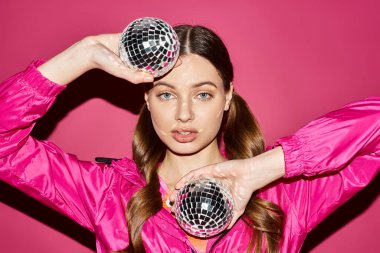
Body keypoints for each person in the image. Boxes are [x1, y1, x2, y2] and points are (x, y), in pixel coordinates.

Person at [0, 24, 378, 253]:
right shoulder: (108, 194)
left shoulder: (287, 196)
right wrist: (80, 54)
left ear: (228, 96)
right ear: (147, 100)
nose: (183, 113)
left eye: (203, 94)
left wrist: (264, 169)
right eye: (166, 94)